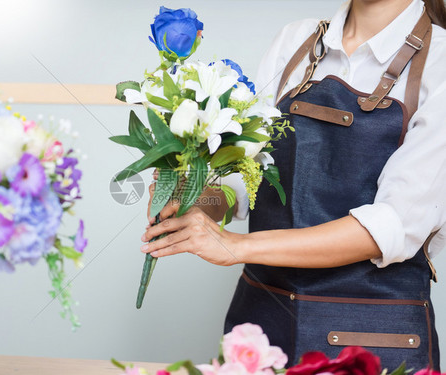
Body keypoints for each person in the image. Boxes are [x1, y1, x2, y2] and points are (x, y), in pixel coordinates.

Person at [141, 0, 446, 370]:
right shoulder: (295, 41)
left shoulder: (439, 64)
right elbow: (247, 177)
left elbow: (390, 226)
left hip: (371, 340)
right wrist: (193, 197)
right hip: (262, 326)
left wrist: (235, 245)